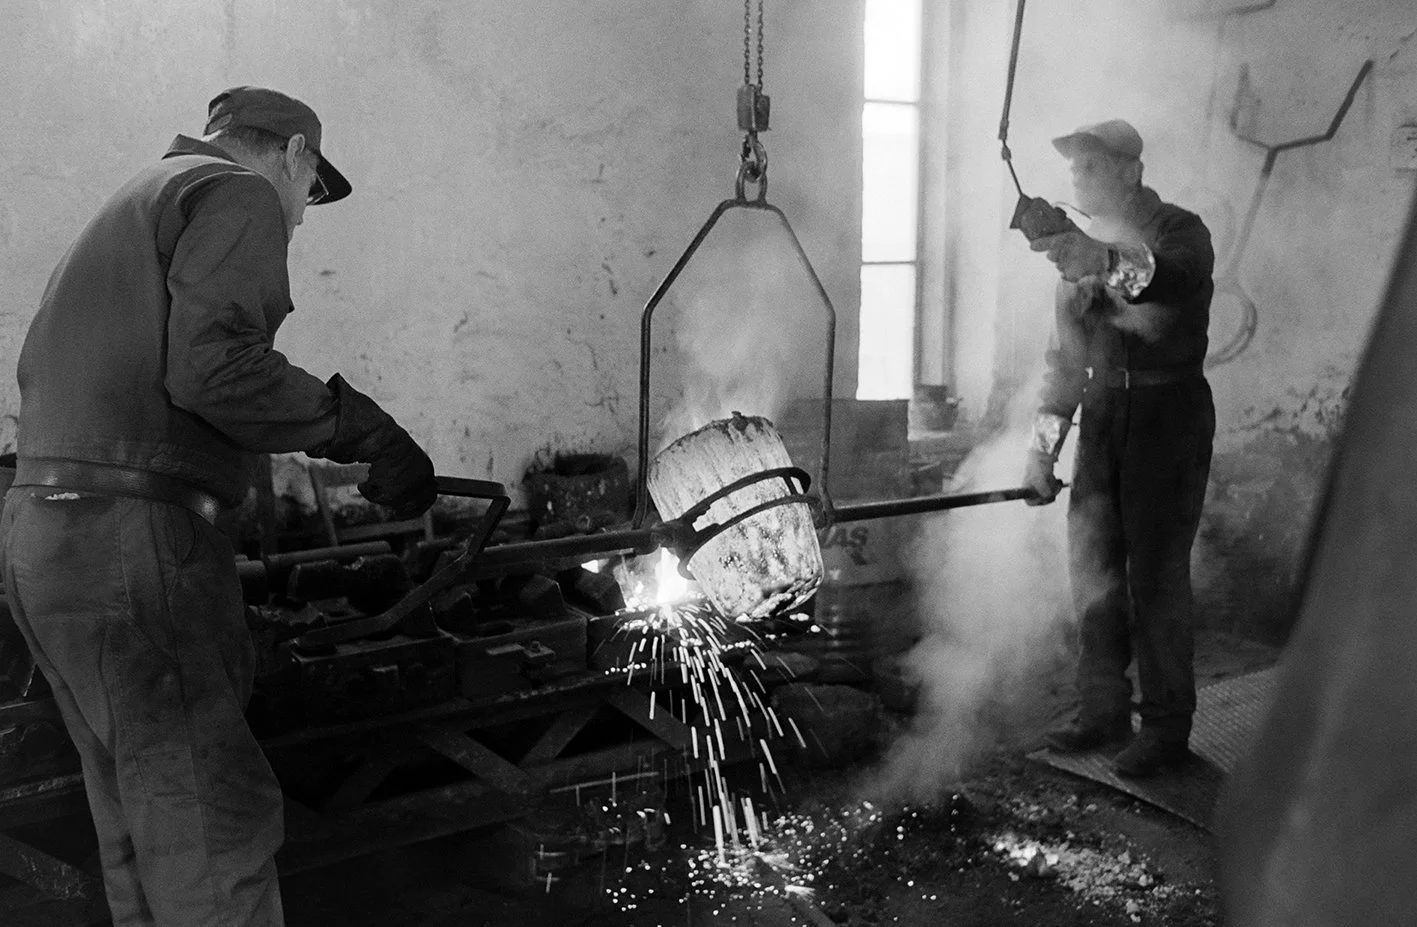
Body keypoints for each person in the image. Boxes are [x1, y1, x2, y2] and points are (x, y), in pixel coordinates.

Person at [0, 87, 437, 925]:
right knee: (208, 827)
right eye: (309, 196)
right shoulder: (233, 192)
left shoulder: (139, 197)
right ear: (296, 154)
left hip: (41, 537)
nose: (302, 219)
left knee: (136, 822)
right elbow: (214, 370)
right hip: (130, 543)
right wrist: (366, 430)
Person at [1021, 119, 1215, 778]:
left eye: (1091, 166)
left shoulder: (1180, 231)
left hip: (1168, 416)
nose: (1076, 177)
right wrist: (1042, 452)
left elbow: (1166, 280)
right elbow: (1063, 364)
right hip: (1105, 414)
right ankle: (1102, 707)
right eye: (1072, 167)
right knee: (1093, 566)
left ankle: (1165, 726)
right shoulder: (1079, 257)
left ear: (1130, 170)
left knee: (1155, 578)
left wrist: (1099, 258)